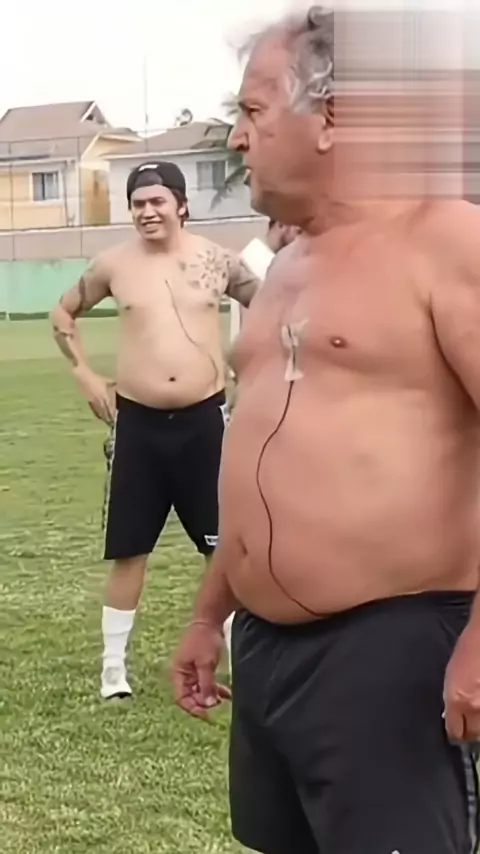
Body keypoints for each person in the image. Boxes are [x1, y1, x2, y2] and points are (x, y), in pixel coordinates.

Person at [172, 7, 480, 854]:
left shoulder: (444, 238)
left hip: (393, 648)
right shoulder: (287, 267)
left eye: (252, 111)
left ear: (334, 117)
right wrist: (208, 616)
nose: (237, 139)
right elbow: (263, 455)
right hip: (266, 650)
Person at [50, 160, 260, 700]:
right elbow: (63, 314)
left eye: (157, 201)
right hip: (139, 425)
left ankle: (241, 663)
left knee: (222, 549)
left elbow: (270, 306)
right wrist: (85, 373)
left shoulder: (216, 260)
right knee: (130, 550)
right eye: (138, 203)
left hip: (204, 422)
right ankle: (113, 670)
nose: (147, 212)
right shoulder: (112, 265)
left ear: (181, 205)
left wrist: (250, 372)